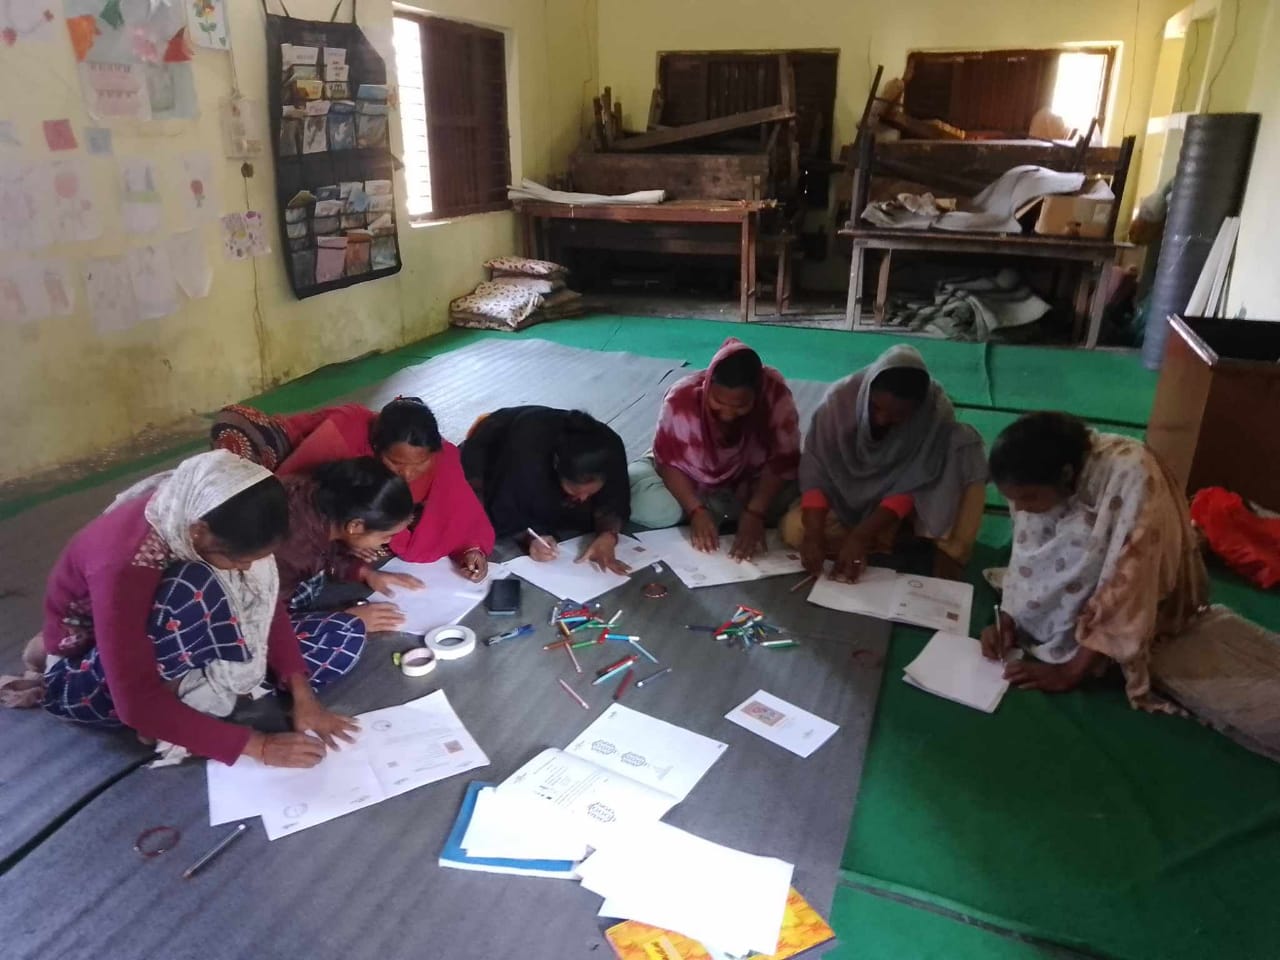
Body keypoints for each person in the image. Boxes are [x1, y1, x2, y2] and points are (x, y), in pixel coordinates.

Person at [29, 451, 359, 768]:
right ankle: (175, 716)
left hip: (172, 639)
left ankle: (199, 706)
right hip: (93, 675)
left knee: (344, 634)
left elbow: (265, 602)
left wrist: (303, 696)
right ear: (198, 532)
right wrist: (259, 746)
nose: (246, 569)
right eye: (239, 559)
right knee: (193, 585)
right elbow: (134, 701)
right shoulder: (125, 565)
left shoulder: (212, 513)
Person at [980, 412, 1207, 701]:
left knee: (1126, 580)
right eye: (1013, 500)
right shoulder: (1036, 481)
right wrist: (1010, 616)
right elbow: (1029, 553)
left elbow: (1133, 583)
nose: (1020, 509)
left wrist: (1070, 672)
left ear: (1065, 474)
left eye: (1028, 498)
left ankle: (1095, 649)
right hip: (1103, 567)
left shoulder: (1131, 477)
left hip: (1136, 585)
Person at [211, 397, 494, 581]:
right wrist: (347, 542)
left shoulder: (444, 458)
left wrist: (472, 549)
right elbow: (298, 499)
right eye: (395, 463)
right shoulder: (345, 436)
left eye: (419, 465)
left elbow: (461, 513)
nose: (407, 473)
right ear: (374, 448)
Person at [781, 344, 987, 581]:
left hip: (902, 508)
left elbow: (913, 483)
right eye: (875, 407)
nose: (881, 420)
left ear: (916, 410)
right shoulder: (839, 404)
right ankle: (884, 542)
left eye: (898, 416)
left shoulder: (932, 415)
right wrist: (814, 535)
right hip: (845, 501)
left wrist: (861, 536)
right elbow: (815, 473)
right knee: (796, 530)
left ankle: (920, 545)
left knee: (964, 444)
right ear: (866, 393)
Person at [629, 338, 800, 560]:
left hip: (748, 478)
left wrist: (756, 510)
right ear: (707, 386)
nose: (727, 415)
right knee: (655, 507)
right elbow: (668, 463)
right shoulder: (682, 399)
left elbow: (783, 460)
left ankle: (727, 511)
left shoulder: (774, 395)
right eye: (718, 402)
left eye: (740, 406)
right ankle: (713, 511)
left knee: (799, 494)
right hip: (686, 472)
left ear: (757, 395)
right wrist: (696, 510)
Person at [461, 406, 631, 573]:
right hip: (491, 454)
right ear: (556, 466)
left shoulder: (611, 449)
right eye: (576, 491)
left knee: (585, 516)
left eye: (591, 492)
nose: (583, 498)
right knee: (474, 514)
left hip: (536, 467)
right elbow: (504, 507)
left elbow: (616, 499)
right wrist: (530, 538)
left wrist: (608, 535)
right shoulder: (525, 454)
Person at [274, 457, 422, 637]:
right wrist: (347, 617)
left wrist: (366, 573)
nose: (387, 542)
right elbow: (272, 623)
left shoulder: (321, 499)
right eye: (385, 536)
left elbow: (326, 550)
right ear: (355, 527)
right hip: (258, 611)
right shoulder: (294, 548)